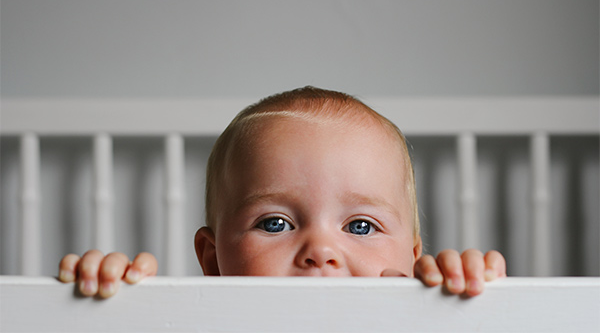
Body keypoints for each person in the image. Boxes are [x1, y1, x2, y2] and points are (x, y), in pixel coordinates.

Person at [58, 86, 506, 298]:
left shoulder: (425, 322)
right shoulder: (189, 325)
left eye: (361, 225)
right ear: (213, 260)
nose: (321, 251)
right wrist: (106, 307)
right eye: (275, 223)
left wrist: (471, 308)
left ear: (412, 258)